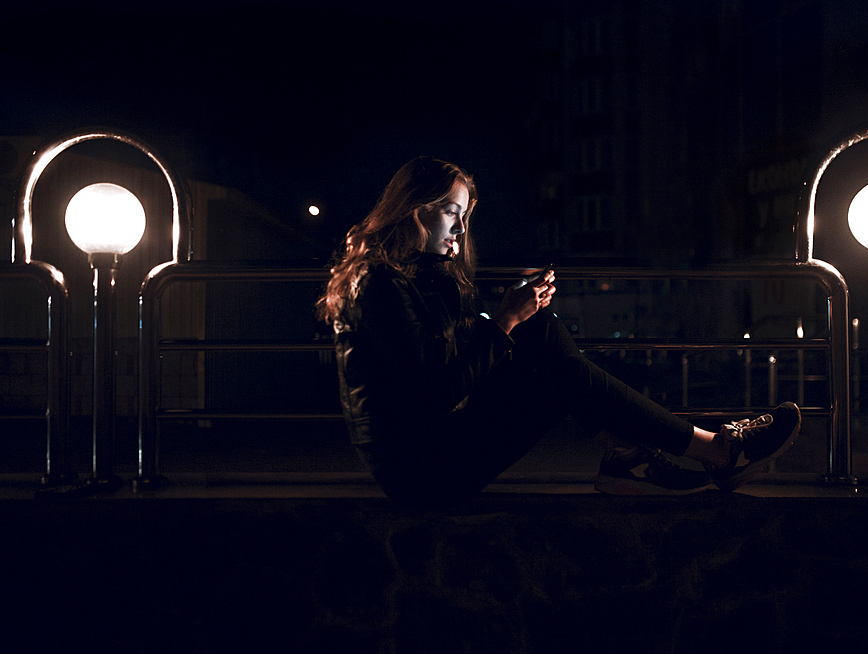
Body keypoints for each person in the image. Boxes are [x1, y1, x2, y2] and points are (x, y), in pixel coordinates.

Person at [318, 156, 800, 504]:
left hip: (433, 445)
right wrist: (504, 319)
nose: (461, 231)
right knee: (559, 374)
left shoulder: (422, 276)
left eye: (464, 218)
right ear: (414, 207)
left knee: (542, 328)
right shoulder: (379, 283)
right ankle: (716, 450)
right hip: (419, 470)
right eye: (451, 213)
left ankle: (631, 457)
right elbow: (435, 393)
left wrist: (512, 316)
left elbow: (453, 360)